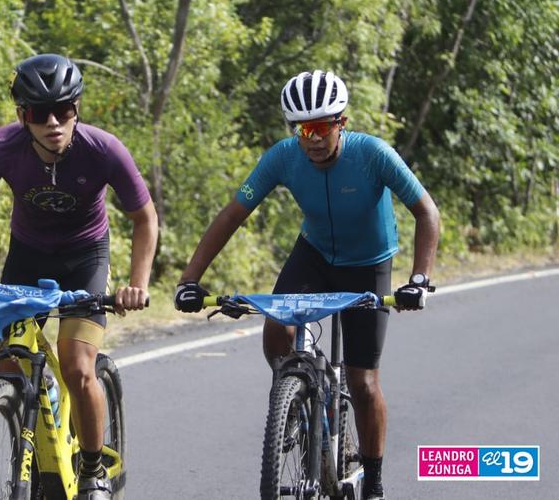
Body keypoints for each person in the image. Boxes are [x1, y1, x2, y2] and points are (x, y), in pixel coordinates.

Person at [0, 53, 158, 500]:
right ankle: (34, 446)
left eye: (66, 110)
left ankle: (94, 470)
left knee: (78, 365)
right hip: (27, 256)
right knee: (3, 365)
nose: (55, 123)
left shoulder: (103, 149)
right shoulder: (0, 147)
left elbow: (144, 218)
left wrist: (137, 283)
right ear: (23, 115)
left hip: (86, 257)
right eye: (41, 114)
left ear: (78, 109)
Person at [174, 70, 439, 500]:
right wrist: (190, 279)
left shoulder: (373, 154)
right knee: (276, 327)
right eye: (302, 129)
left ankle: (372, 482)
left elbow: (427, 212)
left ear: (342, 122)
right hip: (314, 254)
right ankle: (296, 399)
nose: (311, 138)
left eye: (320, 127)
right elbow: (232, 215)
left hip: (368, 263)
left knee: (363, 382)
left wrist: (420, 279)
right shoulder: (283, 157)